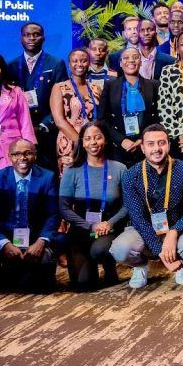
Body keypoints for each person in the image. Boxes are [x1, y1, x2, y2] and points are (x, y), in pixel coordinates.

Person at [111, 123, 183, 289]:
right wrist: (161, 251)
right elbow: (137, 218)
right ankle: (140, 266)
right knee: (120, 250)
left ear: (169, 144)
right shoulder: (131, 175)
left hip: (176, 229)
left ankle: (180, 264)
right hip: (143, 231)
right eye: (150, 144)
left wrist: (173, 232)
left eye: (161, 143)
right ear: (143, 148)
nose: (156, 149)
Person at [0, 139, 62, 292]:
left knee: (60, 242)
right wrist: (4, 243)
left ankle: (32, 270)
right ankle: (3, 274)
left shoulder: (47, 177)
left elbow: (53, 214)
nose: (22, 158)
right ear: (9, 156)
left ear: (35, 155)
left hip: (35, 236)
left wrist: (41, 242)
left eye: (28, 153)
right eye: (16, 154)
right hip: (6, 235)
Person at [59, 122, 129, 289]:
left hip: (109, 229)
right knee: (83, 285)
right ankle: (88, 268)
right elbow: (64, 208)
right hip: (81, 229)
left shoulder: (119, 169)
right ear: (82, 142)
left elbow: (128, 205)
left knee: (100, 249)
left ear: (105, 140)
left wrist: (110, 223)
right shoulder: (72, 171)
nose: (93, 142)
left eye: (98, 137)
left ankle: (109, 266)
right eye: (88, 138)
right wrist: (90, 226)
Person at [7, 22, 68, 166]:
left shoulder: (56, 63)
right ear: (21, 39)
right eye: (27, 35)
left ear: (43, 38)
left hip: (47, 130)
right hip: (19, 131)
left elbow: (64, 98)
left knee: (48, 173)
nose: (32, 38)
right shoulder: (11, 66)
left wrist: (43, 125)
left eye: (36, 35)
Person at [95, 47, 159, 167]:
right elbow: (102, 119)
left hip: (146, 146)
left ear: (141, 62)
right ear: (120, 63)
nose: (131, 60)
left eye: (135, 57)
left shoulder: (153, 85)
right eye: (126, 58)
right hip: (118, 148)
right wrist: (122, 140)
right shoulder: (110, 85)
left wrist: (143, 139)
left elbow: (157, 118)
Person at [50, 48, 103, 176]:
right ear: (69, 64)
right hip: (69, 142)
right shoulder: (59, 87)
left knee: (93, 179)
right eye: (75, 61)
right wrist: (81, 142)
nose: (79, 64)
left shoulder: (95, 88)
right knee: (71, 180)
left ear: (89, 63)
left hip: (94, 142)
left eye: (83, 61)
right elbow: (59, 121)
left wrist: (91, 141)